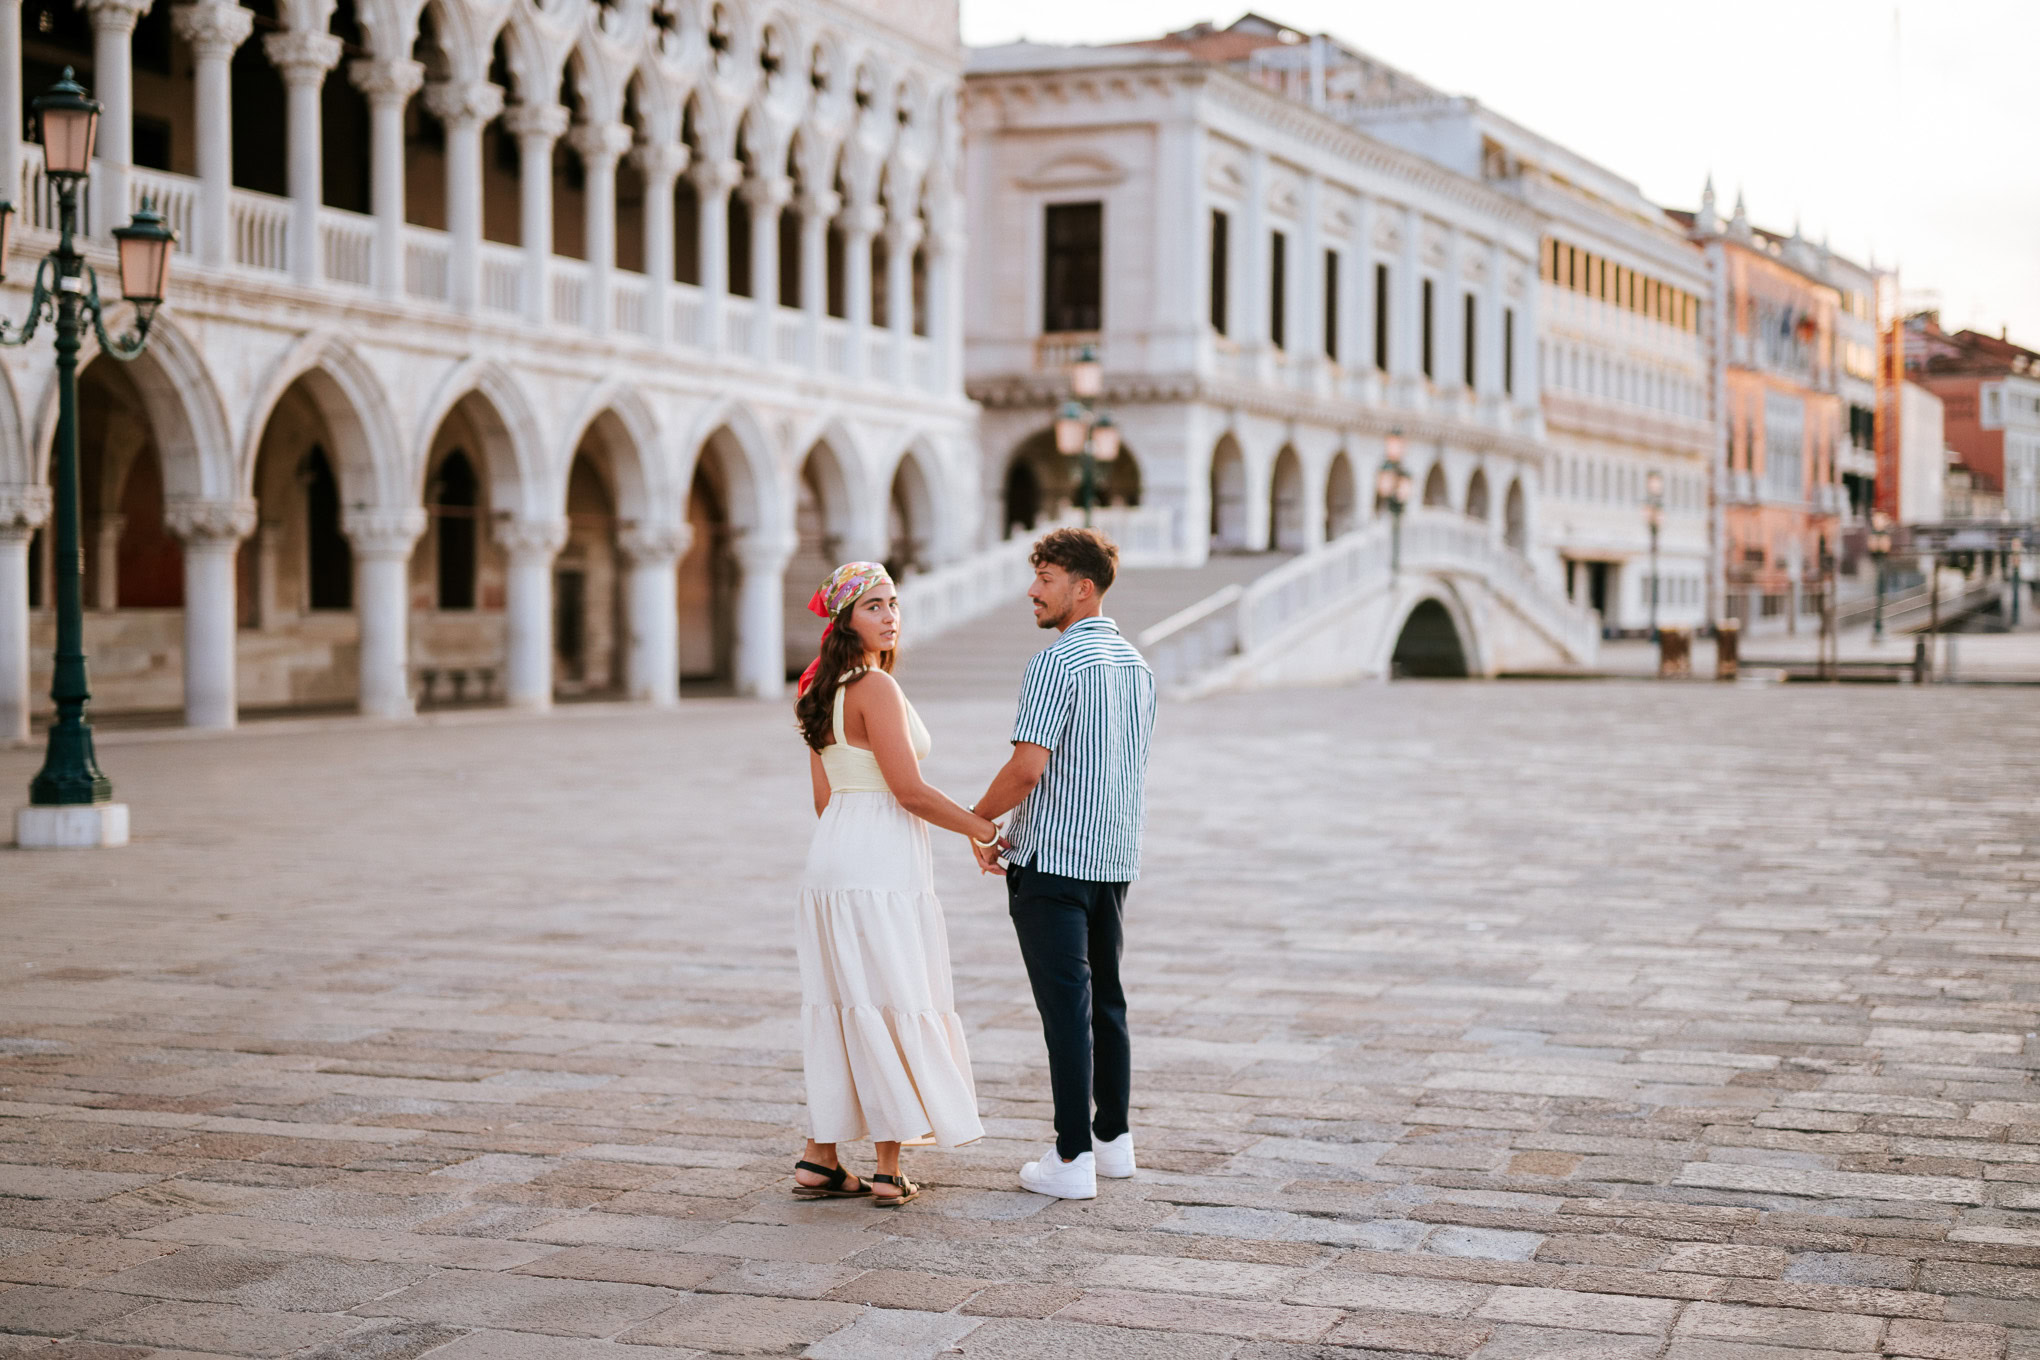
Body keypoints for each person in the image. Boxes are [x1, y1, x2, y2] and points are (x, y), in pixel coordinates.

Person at [788, 561, 996, 1207]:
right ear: (847, 617)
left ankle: (821, 1157)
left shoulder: (817, 689)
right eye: (874, 605)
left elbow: (826, 798)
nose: (890, 615)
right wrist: (980, 829)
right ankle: (887, 1167)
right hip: (879, 856)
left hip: (834, 854)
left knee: (846, 997)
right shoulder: (874, 686)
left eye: (894, 603)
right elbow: (908, 791)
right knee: (892, 990)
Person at [969, 528, 1156, 1200]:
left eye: (1045, 579)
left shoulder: (1056, 664)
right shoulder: (1137, 665)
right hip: (1113, 859)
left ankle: (1071, 1157)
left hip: (1051, 864)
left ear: (1082, 586)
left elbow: (1027, 769)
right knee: (1107, 1001)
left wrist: (978, 819)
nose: (1032, 591)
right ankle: (1113, 1143)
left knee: (1065, 1012)